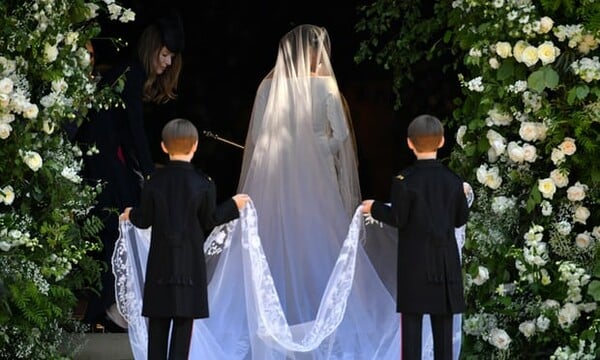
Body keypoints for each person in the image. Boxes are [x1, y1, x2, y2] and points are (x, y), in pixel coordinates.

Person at [75, 10, 185, 330]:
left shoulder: (129, 72)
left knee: (117, 233)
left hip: (107, 164)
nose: (166, 63)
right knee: (116, 232)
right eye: (164, 55)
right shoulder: (131, 73)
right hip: (103, 166)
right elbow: (133, 130)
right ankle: (109, 309)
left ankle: (110, 308)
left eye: (171, 57)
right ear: (152, 48)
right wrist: (149, 174)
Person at [119, 118, 249, 359]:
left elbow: (144, 219)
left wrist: (130, 214)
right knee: (183, 328)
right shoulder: (204, 183)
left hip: (160, 267)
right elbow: (210, 220)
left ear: (163, 147)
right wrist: (233, 205)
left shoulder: (153, 181)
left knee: (157, 327)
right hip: (189, 268)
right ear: (196, 146)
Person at [361, 114, 470, 360]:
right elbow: (460, 219)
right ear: (442, 142)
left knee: (411, 334)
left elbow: (398, 217)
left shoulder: (404, 181)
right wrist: (460, 194)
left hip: (415, 267)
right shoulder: (453, 181)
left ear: (410, 143)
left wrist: (374, 207)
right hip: (445, 267)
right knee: (443, 333)